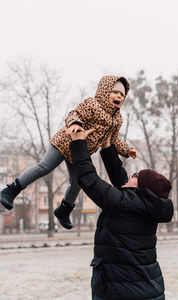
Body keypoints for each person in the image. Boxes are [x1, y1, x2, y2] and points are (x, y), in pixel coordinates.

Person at [0, 75, 137, 230]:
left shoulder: (117, 119)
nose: (119, 96)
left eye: (122, 95)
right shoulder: (92, 104)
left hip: (79, 152)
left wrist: (126, 149)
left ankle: (64, 209)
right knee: (44, 167)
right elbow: (74, 113)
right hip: (65, 142)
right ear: (105, 92)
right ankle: (10, 190)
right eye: (115, 92)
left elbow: (113, 139)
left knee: (77, 181)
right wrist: (75, 123)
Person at [69, 129, 174, 300]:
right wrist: (107, 147)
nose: (130, 177)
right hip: (148, 290)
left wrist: (78, 142)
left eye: (135, 175)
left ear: (140, 187)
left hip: (120, 291)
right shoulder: (146, 206)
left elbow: (89, 178)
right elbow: (122, 180)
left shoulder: (124, 203)